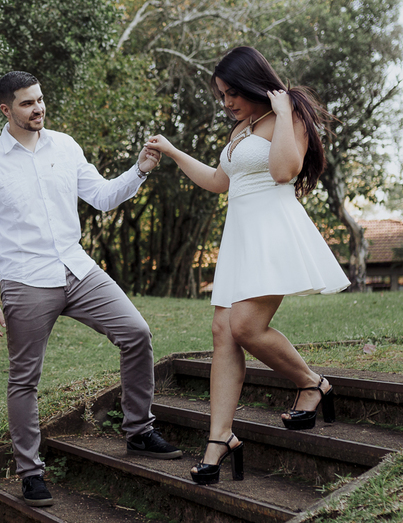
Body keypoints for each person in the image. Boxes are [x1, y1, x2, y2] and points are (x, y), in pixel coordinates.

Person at [0, 71, 183, 508]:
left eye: (40, 99)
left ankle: (139, 430)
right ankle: (30, 473)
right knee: (24, 379)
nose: (38, 108)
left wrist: (139, 171)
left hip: (77, 268)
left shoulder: (65, 146)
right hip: (25, 279)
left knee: (136, 332)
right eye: (27, 103)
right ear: (5, 110)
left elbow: (102, 196)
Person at [144, 46, 350, 486]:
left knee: (245, 327)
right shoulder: (243, 127)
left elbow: (283, 172)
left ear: (254, 81)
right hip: (240, 236)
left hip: (272, 232)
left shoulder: (286, 110)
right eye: (222, 95)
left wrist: (280, 107)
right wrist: (175, 151)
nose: (227, 102)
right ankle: (219, 439)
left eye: (233, 92)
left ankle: (312, 383)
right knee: (223, 331)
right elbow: (220, 182)